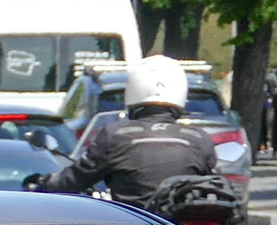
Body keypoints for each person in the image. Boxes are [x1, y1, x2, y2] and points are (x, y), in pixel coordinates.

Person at [38, 55, 218, 205]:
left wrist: (45, 183)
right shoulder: (198, 138)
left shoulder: (115, 135)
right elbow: (214, 180)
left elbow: (76, 179)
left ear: (132, 91)